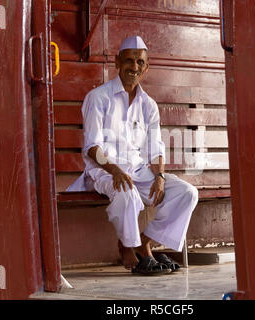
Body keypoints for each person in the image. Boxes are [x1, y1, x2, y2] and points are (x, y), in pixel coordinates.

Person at [67, 35, 198, 275]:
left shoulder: (148, 105)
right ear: (117, 62)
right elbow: (92, 147)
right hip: (103, 171)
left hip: (140, 172)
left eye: (139, 62)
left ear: (146, 67)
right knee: (126, 191)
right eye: (129, 61)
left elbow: (156, 148)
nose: (134, 67)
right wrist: (115, 170)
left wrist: (159, 177)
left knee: (186, 193)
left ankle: (144, 241)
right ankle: (129, 247)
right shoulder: (98, 98)